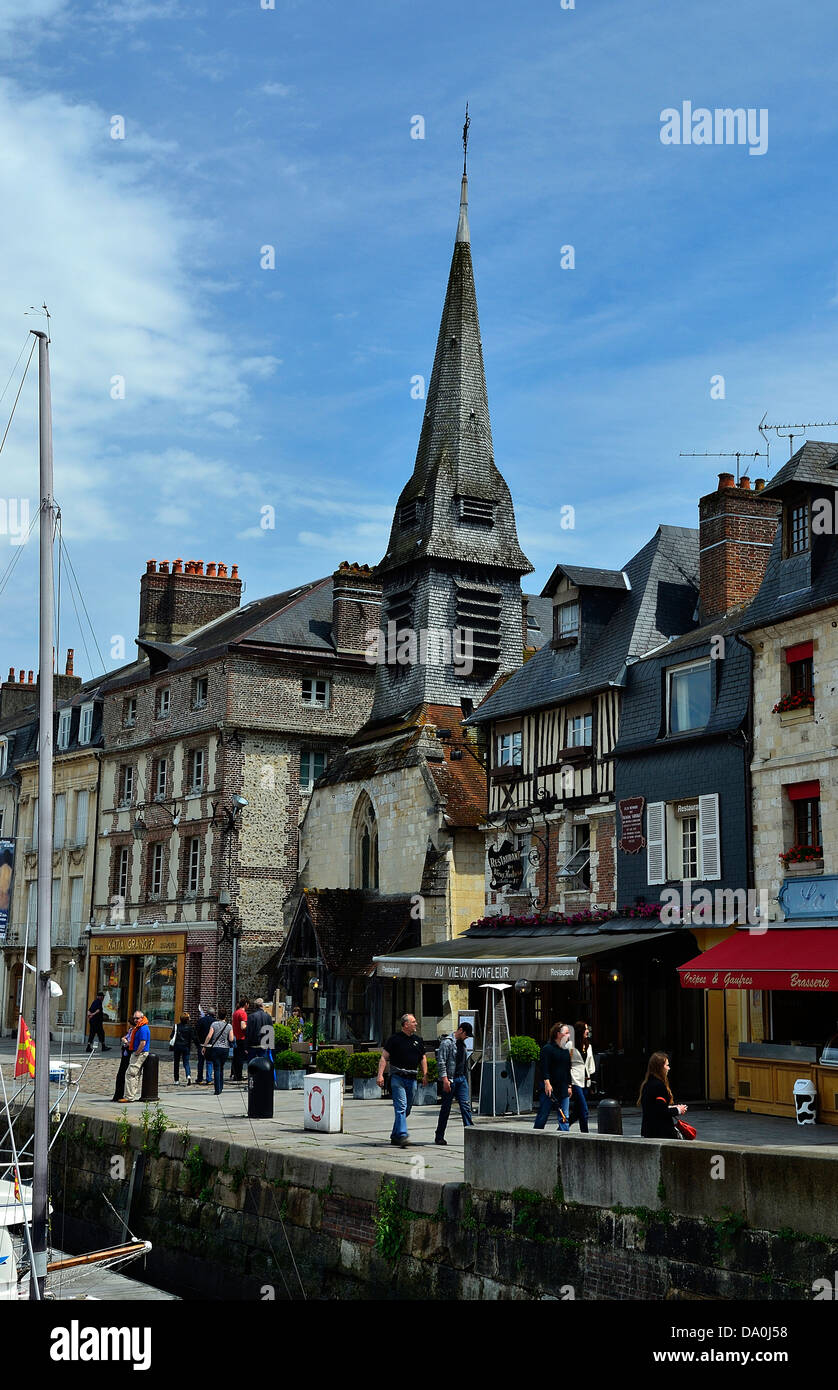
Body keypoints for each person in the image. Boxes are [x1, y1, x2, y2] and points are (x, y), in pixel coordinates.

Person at [377, 1013, 428, 1147]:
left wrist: (425, 1074)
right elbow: (384, 1057)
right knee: (401, 1107)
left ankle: (395, 1135)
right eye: (413, 1022)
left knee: (407, 1109)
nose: (416, 1024)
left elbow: (423, 1058)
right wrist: (380, 1075)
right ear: (406, 1024)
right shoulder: (394, 1039)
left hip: (412, 1079)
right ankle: (403, 1135)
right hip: (397, 1078)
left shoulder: (418, 1040)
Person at [434, 1021, 474, 1145]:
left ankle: (472, 1135)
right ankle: (439, 1135)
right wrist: (445, 1079)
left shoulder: (463, 1044)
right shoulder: (447, 1043)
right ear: (461, 1030)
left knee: (466, 1106)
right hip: (451, 1079)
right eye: (466, 1034)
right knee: (446, 1108)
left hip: (461, 1079)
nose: (467, 1037)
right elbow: (441, 1062)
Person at [533, 1021, 573, 1131]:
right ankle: (536, 1133)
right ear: (558, 1034)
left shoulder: (565, 1050)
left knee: (564, 1115)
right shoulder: (548, 1049)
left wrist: (569, 1086)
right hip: (550, 1087)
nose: (569, 1035)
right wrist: (547, 1083)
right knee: (543, 1114)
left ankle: (565, 1136)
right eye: (566, 1033)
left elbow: (568, 1069)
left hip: (563, 1086)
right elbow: (544, 1068)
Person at [638, 1051, 688, 1139]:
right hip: (661, 1132)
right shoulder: (658, 1086)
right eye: (667, 1065)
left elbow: (654, 1107)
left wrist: (671, 1107)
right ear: (660, 1067)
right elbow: (661, 1112)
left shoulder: (647, 1084)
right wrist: (678, 1110)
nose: (669, 1068)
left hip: (649, 1131)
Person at [118, 1010, 150, 1102]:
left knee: (130, 1073)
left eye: (137, 1018)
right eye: (134, 1018)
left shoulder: (143, 1028)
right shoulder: (139, 1027)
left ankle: (129, 1097)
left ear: (142, 1018)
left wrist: (137, 1052)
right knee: (135, 1074)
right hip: (138, 1051)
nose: (136, 1020)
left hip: (140, 1053)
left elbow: (143, 1043)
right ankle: (131, 1095)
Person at [564, 1025, 591, 1134]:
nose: (587, 1031)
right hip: (575, 1079)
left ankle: (561, 1129)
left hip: (585, 1080)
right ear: (580, 1031)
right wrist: (568, 1083)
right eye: (585, 1029)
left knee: (577, 1112)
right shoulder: (571, 1045)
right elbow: (566, 1063)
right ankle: (585, 1134)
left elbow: (590, 1063)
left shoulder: (588, 1045)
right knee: (584, 1110)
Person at [204, 1009, 234, 1095]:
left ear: (218, 1016)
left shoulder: (214, 1024)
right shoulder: (229, 1026)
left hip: (215, 1048)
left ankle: (217, 1089)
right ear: (225, 1016)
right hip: (225, 1049)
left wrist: (205, 1046)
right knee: (221, 1067)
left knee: (216, 1068)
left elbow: (209, 1036)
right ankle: (221, 1087)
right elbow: (231, 1039)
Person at [245, 997, 274, 1063]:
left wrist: (246, 1046)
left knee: (252, 1066)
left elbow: (248, 1032)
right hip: (264, 1045)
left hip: (253, 1045)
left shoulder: (251, 1016)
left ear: (255, 1006)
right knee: (264, 1065)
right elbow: (271, 1031)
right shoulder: (268, 1016)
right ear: (262, 1005)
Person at [195, 1005, 215, 1086]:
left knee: (200, 1062)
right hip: (211, 1045)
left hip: (201, 1044)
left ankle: (200, 1078)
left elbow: (196, 1032)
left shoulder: (201, 1020)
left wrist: (197, 1043)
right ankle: (209, 1079)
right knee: (209, 1062)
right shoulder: (215, 1021)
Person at [172, 1013, 194, 1086]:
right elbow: (192, 1037)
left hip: (177, 1046)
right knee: (186, 1062)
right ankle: (188, 1075)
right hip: (186, 1047)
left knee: (176, 1063)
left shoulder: (176, 1026)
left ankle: (176, 1080)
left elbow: (172, 1036)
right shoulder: (190, 1028)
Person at [231, 998, 249, 1081]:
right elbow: (243, 1026)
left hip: (235, 1037)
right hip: (241, 1038)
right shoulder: (243, 1013)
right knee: (240, 1058)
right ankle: (238, 1075)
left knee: (236, 1057)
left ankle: (235, 1074)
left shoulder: (235, 1012)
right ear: (246, 1004)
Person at [111, 1031, 131, 1102]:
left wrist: (125, 1042)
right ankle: (118, 1095)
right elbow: (124, 1037)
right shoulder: (131, 1030)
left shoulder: (136, 1030)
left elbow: (131, 1044)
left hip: (129, 1054)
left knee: (124, 1075)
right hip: (125, 1053)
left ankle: (124, 1095)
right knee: (120, 1076)